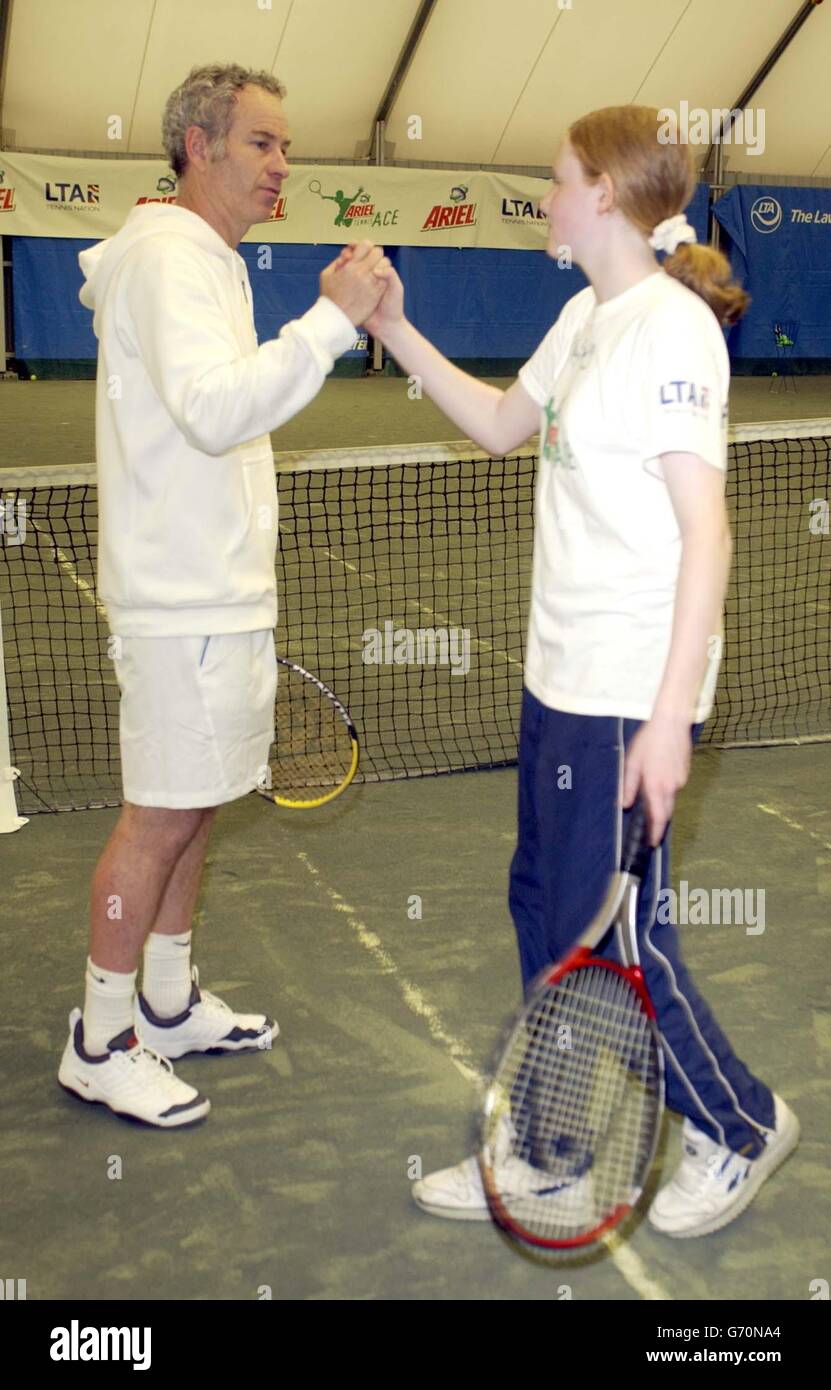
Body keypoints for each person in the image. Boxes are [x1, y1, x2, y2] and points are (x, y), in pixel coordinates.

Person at [358, 104, 799, 1237]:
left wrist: (667, 720)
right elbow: (503, 424)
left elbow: (710, 533)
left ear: (605, 191)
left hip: (622, 695)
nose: (544, 198)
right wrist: (397, 329)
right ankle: (552, 1149)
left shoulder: (669, 328)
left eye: (557, 180)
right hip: (559, 681)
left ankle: (737, 1125)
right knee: (551, 918)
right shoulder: (581, 318)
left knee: (612, 935)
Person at [59, 63, 389, 1127]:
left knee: (198, 801)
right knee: (159, 813)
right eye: (261, 143)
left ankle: (165, 1000)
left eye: (285, 145)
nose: (282, 164)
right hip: (179, 600)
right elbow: (211, 409)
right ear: (197, 147)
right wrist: (331, 323)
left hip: (224, 592)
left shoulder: (207, 259)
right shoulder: (166, 258)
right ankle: (100, 1038)